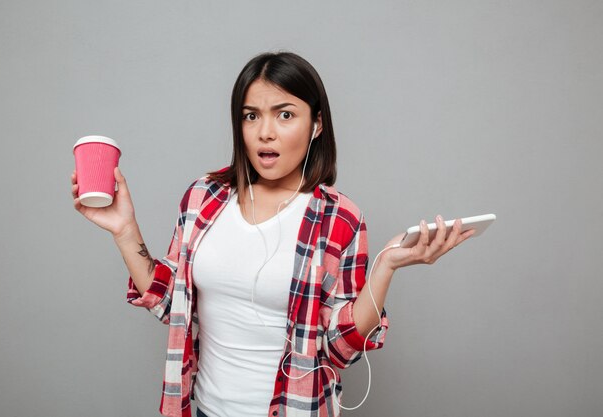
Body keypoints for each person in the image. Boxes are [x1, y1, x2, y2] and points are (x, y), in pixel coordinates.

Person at [71, 51, 474, 417]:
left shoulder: (339, 217)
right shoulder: (203, 197)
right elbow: (170, 303)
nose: (265, 132)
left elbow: (341, 347)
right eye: (251, 115)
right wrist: (125, 230)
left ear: (316, 124)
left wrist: (385, 268)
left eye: (285, 115)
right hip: (205, 410)